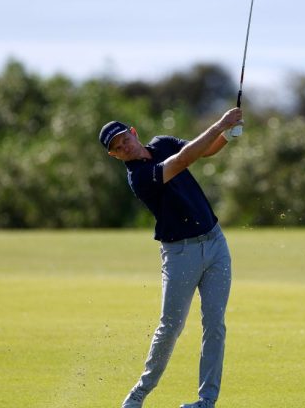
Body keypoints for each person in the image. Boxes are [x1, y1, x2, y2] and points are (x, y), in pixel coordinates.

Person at [100, 107, 244, 408]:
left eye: (124, 138)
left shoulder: (162, 142)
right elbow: (183, 160)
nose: (124, 146)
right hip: (181, 254)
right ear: (115, 156)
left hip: (216, 243)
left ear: (133, 132)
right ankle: (137, 396)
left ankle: (206, 402)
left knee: (215, 324)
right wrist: (219, 123)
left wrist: (229, 134)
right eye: (117, 147)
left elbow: (205, 151)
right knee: (170, 328)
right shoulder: (139, 177)